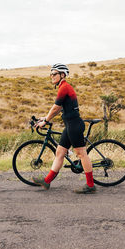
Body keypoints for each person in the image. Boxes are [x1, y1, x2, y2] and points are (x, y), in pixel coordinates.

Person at [32, 63, 96, 194]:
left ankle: (90, 185)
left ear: (62, 75)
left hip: (74, 125)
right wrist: (45, 118)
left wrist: (46, 121)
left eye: (54, 73)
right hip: (70, 125)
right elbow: (59, 108)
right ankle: (47, 181)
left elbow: (56, 107)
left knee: (81, 154)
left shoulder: (64, 87)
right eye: (51, 74)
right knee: (60, 152)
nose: (51, 76)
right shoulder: (62, 87)